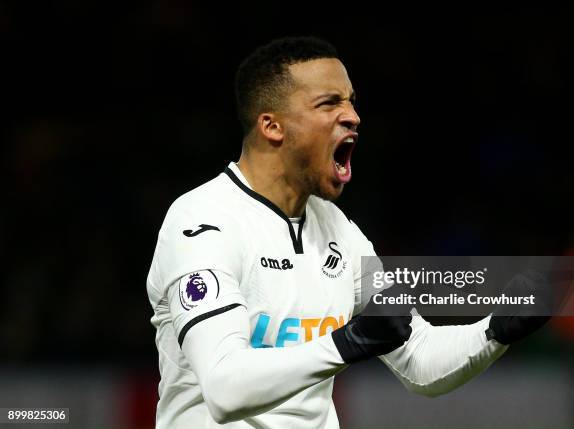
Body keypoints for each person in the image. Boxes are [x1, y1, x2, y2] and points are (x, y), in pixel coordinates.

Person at [146, 36, 548, 428]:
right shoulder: (201, 222)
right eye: (329, 103)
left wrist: (498, 328)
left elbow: (420, 362)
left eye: (351, 101)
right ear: (272, 126)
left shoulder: (339, 229)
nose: (352, 116)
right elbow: (224, 388)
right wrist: (346, 342)